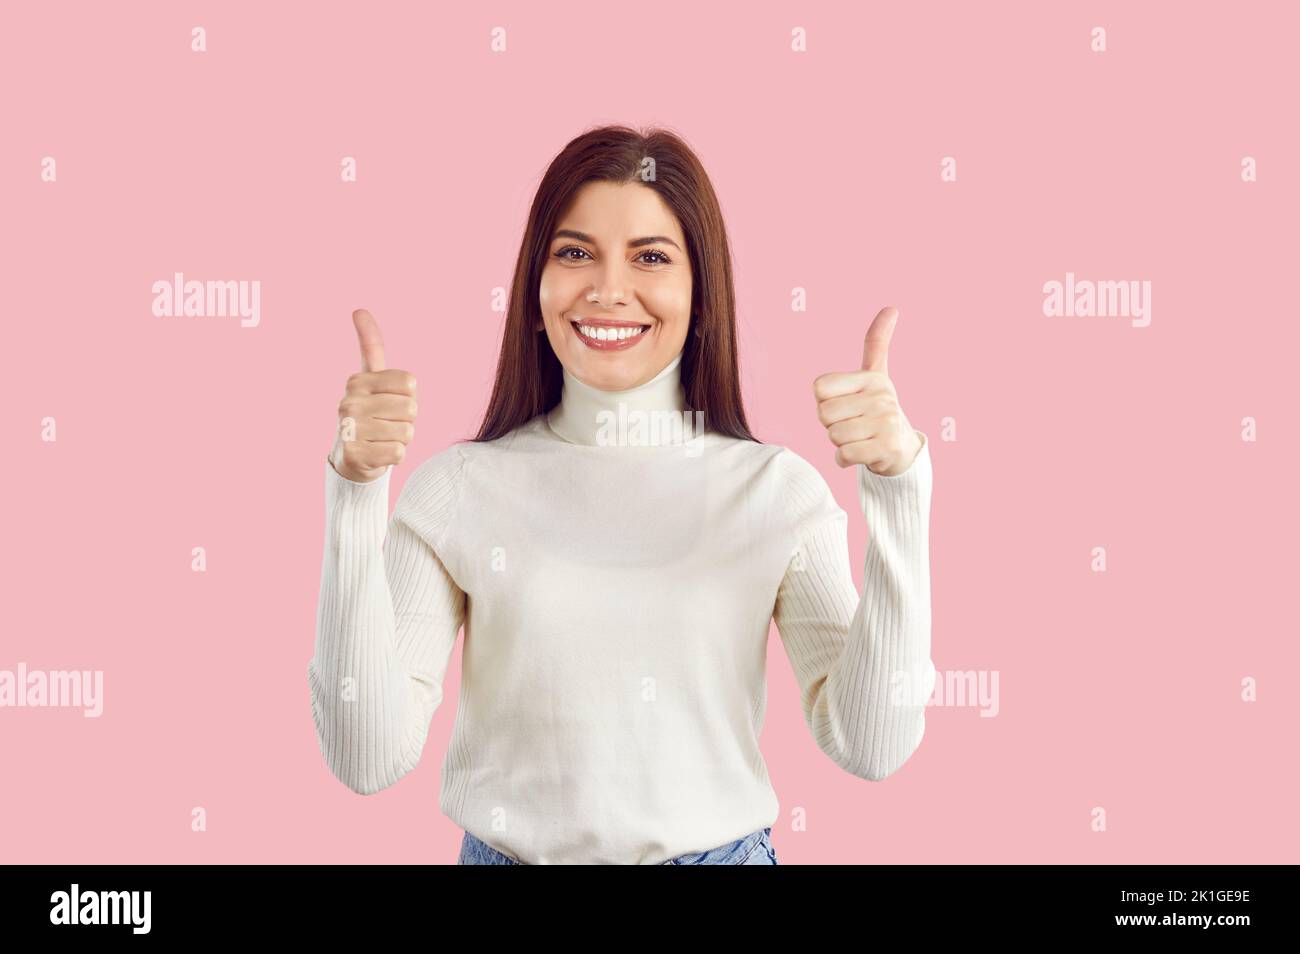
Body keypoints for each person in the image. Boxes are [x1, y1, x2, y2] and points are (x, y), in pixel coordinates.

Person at [308, 124, 935, 865]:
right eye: (575, 253)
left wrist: (898, 489)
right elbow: (366, 758)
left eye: (651, 258)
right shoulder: (457, 491)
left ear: (702, 297)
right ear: (534, 289)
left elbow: (874, 745)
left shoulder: (774, 493)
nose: (608, 290)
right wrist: (355, 493)